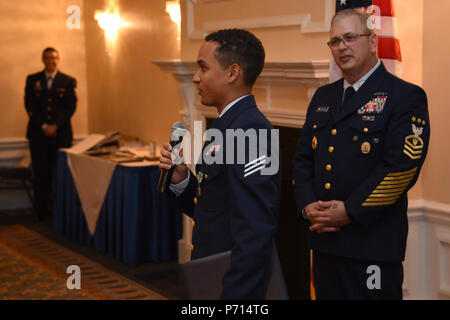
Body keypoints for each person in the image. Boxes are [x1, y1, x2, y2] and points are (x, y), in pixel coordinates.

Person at [293, 9, 430, 300]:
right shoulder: (323, 97)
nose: (342, 46)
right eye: (334, 41)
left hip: (372, 245)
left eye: (350, 37)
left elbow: (401, 167)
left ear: (372, 41)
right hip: (325, 242)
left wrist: (350, 211)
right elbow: (304, 157)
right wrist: (307, 206)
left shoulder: (404, 96)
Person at [158, 29, 281, 299]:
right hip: (212, 275)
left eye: (203, 67)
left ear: (232, 73)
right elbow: (215, 208)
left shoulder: (251, 132)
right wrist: (182, 181)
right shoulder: (227, 127)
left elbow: (255, 229)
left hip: (232, 285)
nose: (195, 77)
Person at [25, 47, 77, 220]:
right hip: (38, 136)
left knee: (61, 174)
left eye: (54, 58)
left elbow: (70, 107)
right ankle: (42, 213)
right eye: (47, 58)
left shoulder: (68, 81)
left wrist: (55, 125)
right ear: (43, 60)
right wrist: (44, 125)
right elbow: (30, 106)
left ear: (58, 59)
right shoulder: (33, 80)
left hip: (61, 135)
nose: (51, 61)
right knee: (41, 174)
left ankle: (61, 212)